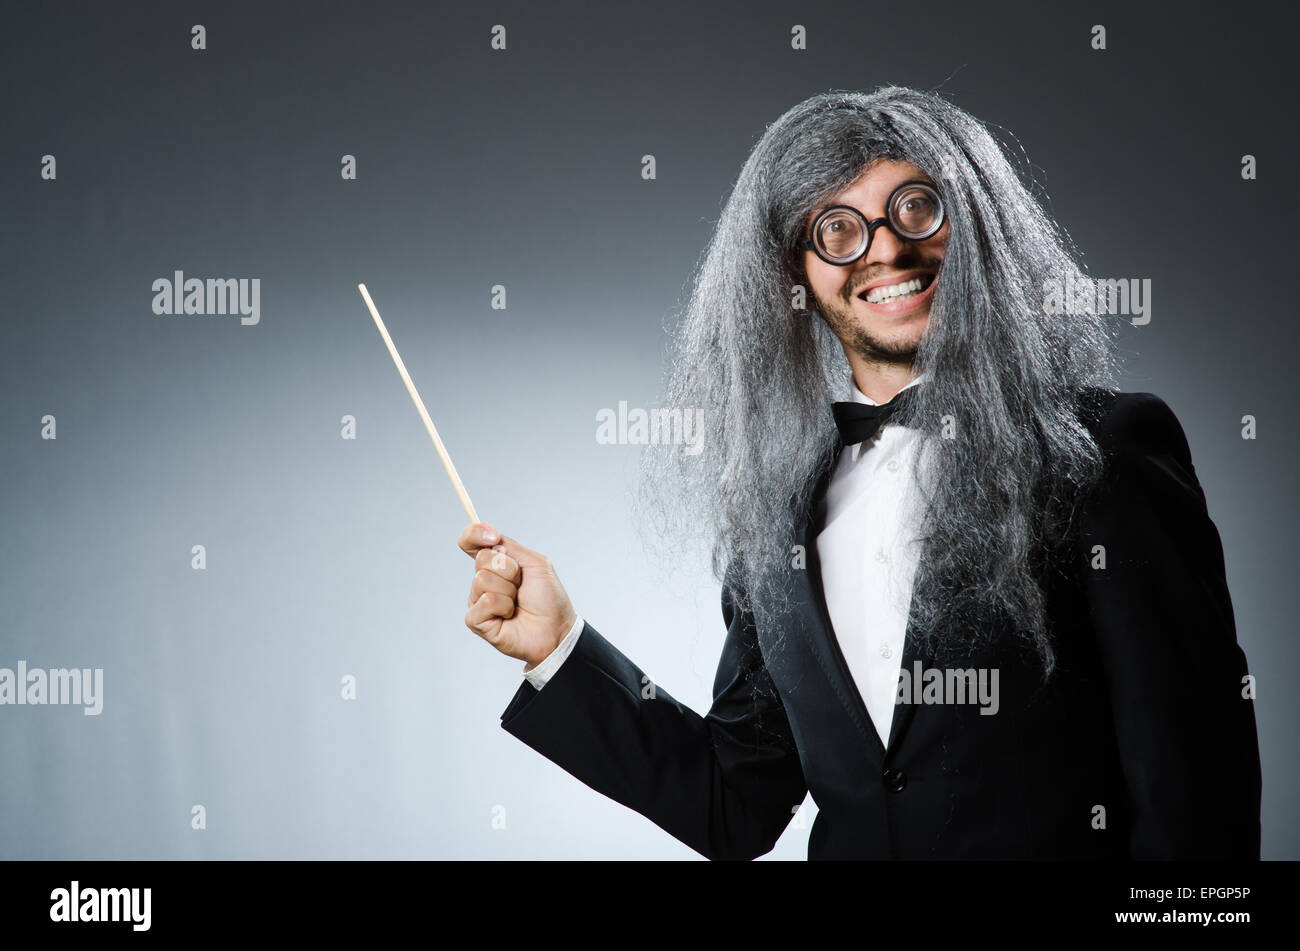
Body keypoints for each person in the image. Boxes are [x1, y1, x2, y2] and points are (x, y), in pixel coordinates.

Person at [456, 86, 1261, 860]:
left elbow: (1197, 796)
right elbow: (735, 803)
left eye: (916, 206)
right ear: (792, 274)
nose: (885, 246)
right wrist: (561, 648)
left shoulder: (1105, 449)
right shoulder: (778, 512)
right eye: (838, 230)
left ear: (972, 229)